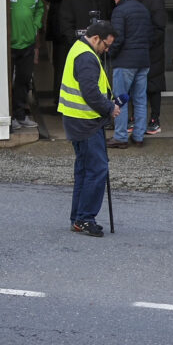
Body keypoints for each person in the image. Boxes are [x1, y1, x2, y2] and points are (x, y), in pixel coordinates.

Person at [58, 20, 120, 237]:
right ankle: (85, 218)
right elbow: (90, 92)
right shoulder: (86, 57)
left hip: (78, 120)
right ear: (96, 39)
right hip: (86, 122)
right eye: (106, 45)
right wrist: (109, 108)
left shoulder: (79, 49)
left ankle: (78, 217)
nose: (107, 49)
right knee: (97, 169)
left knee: (84, 170)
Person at [43, 0, 93, 102]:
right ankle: (60, 102)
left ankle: (84, 100)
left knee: (85, 66)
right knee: (61, 67)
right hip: (60, 30)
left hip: (84, 27)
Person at [107, 0, 152, 149]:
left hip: (125, 62)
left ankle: (120, 136)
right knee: (140, 99)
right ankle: (139, 136)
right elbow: (151, 35)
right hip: (143, 60)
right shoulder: (144, 9)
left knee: (120, 99)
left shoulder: (119, 11)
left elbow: (117, 38)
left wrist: (109, 52)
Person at [8, 0, 43, 131]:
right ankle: (10, 116)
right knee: (7, 82)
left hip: (27, 44)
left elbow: (40, 8)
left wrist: (36, 25)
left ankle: (21, 115)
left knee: (23, 80)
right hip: (9, 45)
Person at [133, 0, 166, 135]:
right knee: (137, 85)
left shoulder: (155, 1)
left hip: (152, 50)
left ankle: (155, 119)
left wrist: (146, 42)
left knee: (153, 85)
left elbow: (159, 29)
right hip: (139, 49)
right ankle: (137, 118)